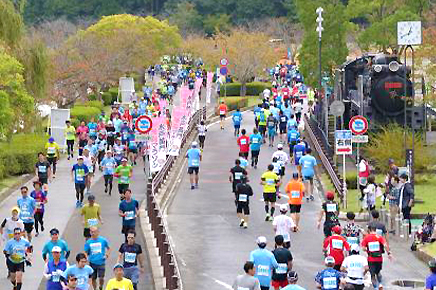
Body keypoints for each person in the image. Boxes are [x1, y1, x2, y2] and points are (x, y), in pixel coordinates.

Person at [361, 225, 391, 290]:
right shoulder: (379, 237)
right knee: (378, 272)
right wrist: (389, 253)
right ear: (375, 230)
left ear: (369, 230)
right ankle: (380, 284)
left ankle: (375, 288)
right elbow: (385, 245)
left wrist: (368, 251)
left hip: (371, 259)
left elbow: (363, 248)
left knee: (372, 274)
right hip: (379, 258)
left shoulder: (366, 238)